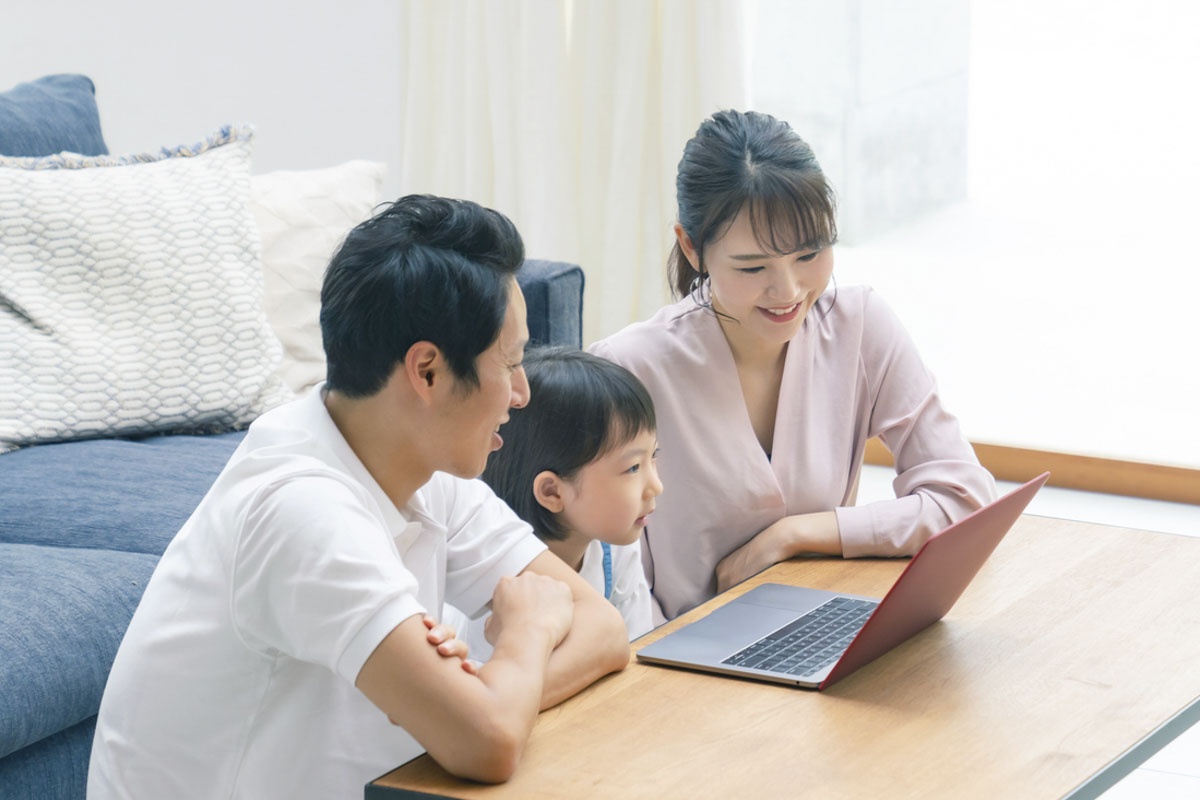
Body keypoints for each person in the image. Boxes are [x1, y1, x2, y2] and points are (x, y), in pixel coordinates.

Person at [87, 195, 629, 799]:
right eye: (509, 362)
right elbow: (487, 743)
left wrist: (482, 696)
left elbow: (602, 629)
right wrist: (525, 638)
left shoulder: (424, 466)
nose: (521, 392)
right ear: (426, 371)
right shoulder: (299, 510)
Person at [589, 110, 997, 623]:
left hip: (817, 627)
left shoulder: (859, 325)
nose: (789, 291)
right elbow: (614, 584)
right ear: (692, 247)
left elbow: (965, 499)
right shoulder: (628, 370)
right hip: (678, 661)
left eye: (809, 254)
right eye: (753, 267)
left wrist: (795, 534)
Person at [470, 347, 661, 645]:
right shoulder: (494, 586)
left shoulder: (615, 549)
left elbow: (636, 652)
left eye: (654, 457)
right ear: (552, 492)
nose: (656, 486)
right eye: (633, 467)